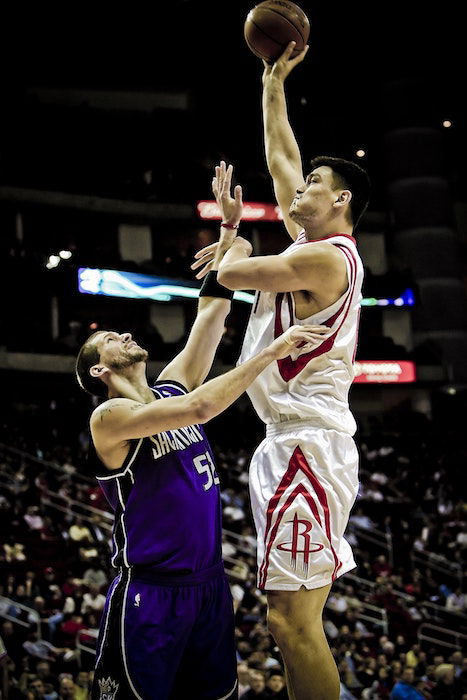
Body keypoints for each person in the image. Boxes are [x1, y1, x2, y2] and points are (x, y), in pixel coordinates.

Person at [76, 213, 328, 700]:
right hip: (151, 592)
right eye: (110, 338)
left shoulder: (169, 385)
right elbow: (201, 407)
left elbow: (211, 314)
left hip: (209, 586)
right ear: (101, 369)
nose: (125, 335)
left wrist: (231, 239)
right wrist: (269, 353)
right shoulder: (109, 417)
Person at [192, 39, 370, 700]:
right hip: (288, 439)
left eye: (312, 187)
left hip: (307, 444)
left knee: (293, 625)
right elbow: (279, 154)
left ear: (340, 200)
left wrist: (232, 231)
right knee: (285, 623)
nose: (298, 189)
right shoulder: (312, 241)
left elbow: (230, 271)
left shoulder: (326, 259)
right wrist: (271, 82)